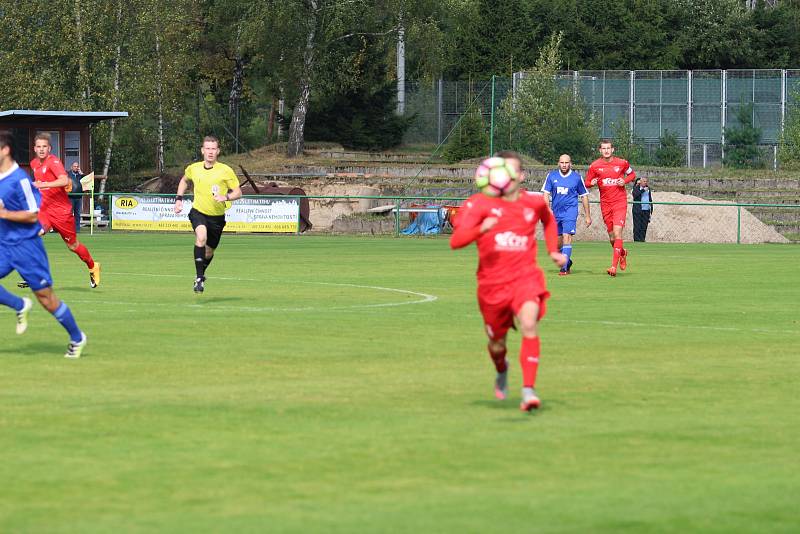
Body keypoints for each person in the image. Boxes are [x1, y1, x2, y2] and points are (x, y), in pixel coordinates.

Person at [451, 151, 567, 412]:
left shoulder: (533, 202)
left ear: (520, 175)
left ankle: (528, 391)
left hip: (526, 277)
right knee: (497, 344)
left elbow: (548, 220)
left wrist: (552, 251)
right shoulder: (479, 204)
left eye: (510, 170)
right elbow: (456, 241)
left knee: (529, 323)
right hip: (492, 286)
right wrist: (482, 228)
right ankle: (501, 368)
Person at [0, 131, 87, 358]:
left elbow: (32, 215)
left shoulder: (19, 180)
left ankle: (77, 337)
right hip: (4, 246)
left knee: (47, 300)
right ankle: (19, 305)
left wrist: (5, 213)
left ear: (5, 150)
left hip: (27, 247)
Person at [27, 133, 100, 288]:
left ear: (49, 148)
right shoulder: (34, 164)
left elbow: (64, 180)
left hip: (61, 213)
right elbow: (39, 183)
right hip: (44, 211)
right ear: (34, 148)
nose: (41, 149)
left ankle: (93, 266)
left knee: (73, 246)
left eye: (44, 147)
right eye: (38, 146)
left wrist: (44, 184)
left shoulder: (53, 162)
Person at [174, 136, 242, 293]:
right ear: (202, 150)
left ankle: (201, 274)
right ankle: (199, 278)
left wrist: (225, 197)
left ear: (218, 151)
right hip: (198, 212)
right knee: (201, 237)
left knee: (209, 251)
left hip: (217, 218)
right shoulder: (194, 168)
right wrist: (179, 199)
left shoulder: (225, 170)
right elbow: (184, 180)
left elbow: (238, 192)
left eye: (213, 149)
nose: (210, 152)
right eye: (207, 149)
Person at [584, 139, 637, 277]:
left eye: (608, 148)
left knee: (617, 232)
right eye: (603, 148)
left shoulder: (622, 163)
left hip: (619, 202)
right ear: (600, 150)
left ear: (613, 149)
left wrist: (624, 181)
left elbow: (632, 175)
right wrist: (592, 183)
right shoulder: (595, 166)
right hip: (605, 204)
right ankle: (623, 253)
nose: (606, 150)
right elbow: (586, 182)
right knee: (612, 238)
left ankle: (613, 267)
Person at [540, 154, 592, 276]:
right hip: (556, 213)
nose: (564, 165)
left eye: (566, 163)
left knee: (567, 237)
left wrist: (588, 215)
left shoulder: (576, 178)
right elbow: (546, 194)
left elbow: (584, 196)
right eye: (562, 163)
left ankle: (564, 268)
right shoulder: (551, 176)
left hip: (570, 212)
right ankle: (567, 262)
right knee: (557, 245)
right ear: (558, 163)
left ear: (571, 164)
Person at [631, 176, 653, 242]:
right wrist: (643, 190)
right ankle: (636, 240)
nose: (645, 183)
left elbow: (650, 199)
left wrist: (651, 208)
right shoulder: (636, 188)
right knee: (637, 226)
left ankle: (642, 240)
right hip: (637, 210)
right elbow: (635, 195)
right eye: (644, 181)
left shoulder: (648, 189)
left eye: (646, 181)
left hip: (646, 210)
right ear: (640, 182)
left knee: (644, 226)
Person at [67, 161, 84, 233]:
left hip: (79, 197)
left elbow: (86, 182)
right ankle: (69, 229)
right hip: (70, 197)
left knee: (78, 214)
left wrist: (82, 174)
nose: (76, 168)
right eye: (75, 166)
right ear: (71, 167)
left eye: (77, 166)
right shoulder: (68, 175)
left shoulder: (80, 175)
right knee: (69, 214)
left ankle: (77, 229)